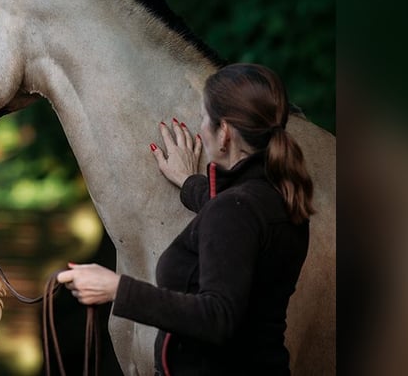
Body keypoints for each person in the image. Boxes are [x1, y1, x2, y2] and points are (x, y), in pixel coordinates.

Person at [57, 63, 315, 375]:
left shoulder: (235, 210)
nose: (201, 126)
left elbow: (216, 317)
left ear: (225, 134)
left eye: (206, 117)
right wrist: (189, 181)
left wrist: (117, 289)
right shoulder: (280, 199)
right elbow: (236, 224)